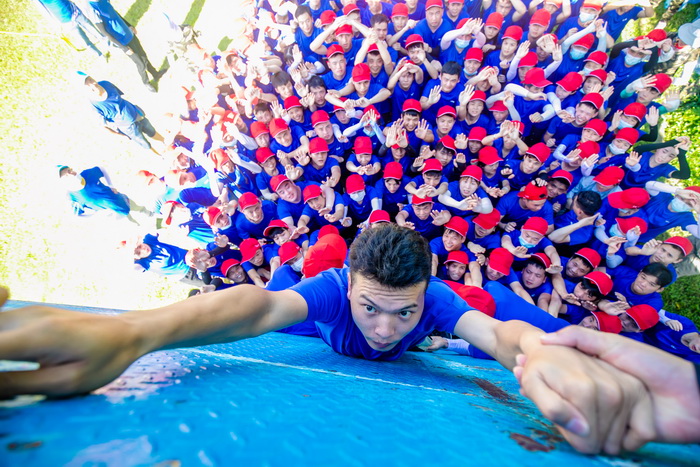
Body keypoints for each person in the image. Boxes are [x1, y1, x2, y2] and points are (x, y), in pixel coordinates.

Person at [0, 224, 679, 456]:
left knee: (485, 309)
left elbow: (499, 333)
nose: (384, 329)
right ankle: (316, 250)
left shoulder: (437, 302)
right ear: (351, 285)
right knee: (283, 288)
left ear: (425, 294)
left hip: (431, 303)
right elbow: (255, 307)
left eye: (402, 313)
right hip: (315, 321)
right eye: (371, 307)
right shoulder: (329, 290)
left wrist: (541, 353)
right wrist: (135, 331)